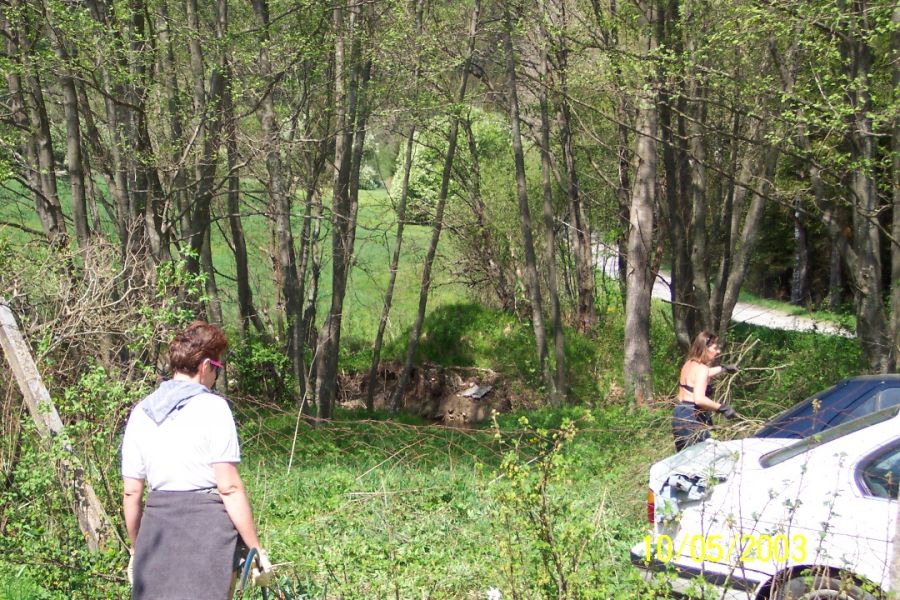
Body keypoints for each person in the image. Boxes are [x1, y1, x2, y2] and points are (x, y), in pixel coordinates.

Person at [121, 321, 271, 599]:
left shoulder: (141, 412)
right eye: (217, 369)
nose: (215, 377)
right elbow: (229, 487)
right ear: (205, 366)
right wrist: (256, 550)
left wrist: (136, 548)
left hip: (156, 531)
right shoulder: (214, 407)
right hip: (208, 530)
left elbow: (131, 493)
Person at [672, 330, 738, 451]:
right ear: (704, 348)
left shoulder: (689, 363)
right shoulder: (702, 368)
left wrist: (724, 368)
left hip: (679, 414)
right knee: (702, 455)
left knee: (685, 456)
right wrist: (722, 408)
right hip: (693, 416)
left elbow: (702, 375)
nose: (718, 351)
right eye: (715, 348)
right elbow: (699, 399)